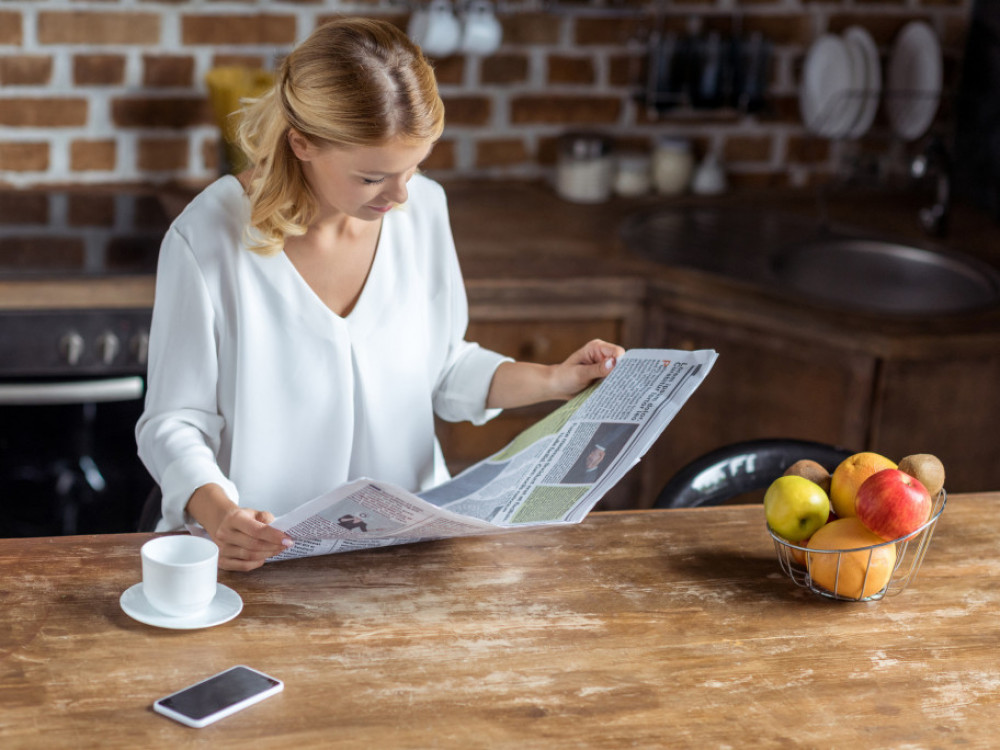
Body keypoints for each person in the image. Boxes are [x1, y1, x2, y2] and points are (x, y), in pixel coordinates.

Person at [136, 18, 624, 572]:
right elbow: (173, 423)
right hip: (262, 556)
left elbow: (443, 368)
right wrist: (222, 514)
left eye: (413, 168)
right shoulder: (207, 236)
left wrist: (554, 379)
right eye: (371, 177)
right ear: (302, 143)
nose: (398, 195)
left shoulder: (422, 210)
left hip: (406, 550)